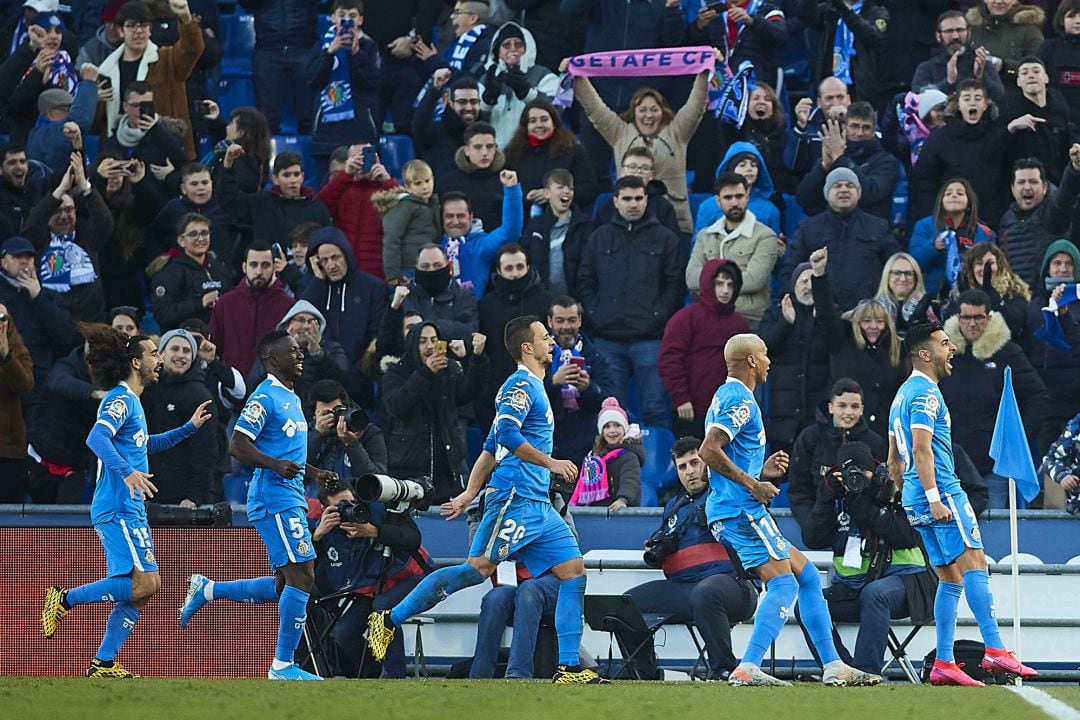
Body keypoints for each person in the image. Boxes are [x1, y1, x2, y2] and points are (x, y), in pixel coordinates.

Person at [366, 316, 606, 684]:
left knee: (574, 573)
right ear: (527, 347)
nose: (552, 343)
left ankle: (569, 667)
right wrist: (551, 462)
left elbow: (490, 448)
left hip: (537, 504)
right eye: (545, 338)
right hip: (512, 499)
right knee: (475, 570)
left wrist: (466, 493)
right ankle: (388, 620)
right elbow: (507, 435)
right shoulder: (519, 386)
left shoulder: (535, 388)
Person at [698, 333, 879, 686]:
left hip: (734, 508)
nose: (769, 360)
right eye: (764, 354)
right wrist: (753, 484)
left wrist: (758, 470)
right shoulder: (741, 400)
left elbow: (716, 461)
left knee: (807, 575)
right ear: (751, 361)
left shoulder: (726, 396)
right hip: (741, 510)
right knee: (783, 584)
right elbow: (708, 450)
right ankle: (748, 666)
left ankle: (833, 665)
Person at [40, 322, 210, 678]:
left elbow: (146, 445)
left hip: (127, 507)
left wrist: (189, 428)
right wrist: (126, 473)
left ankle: (102, 662)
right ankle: (64, 598)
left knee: (140, 591)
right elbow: (96, 438)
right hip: (118, 506)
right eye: (154, 353)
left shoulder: (132, 402)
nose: (160, 359)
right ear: (136, 362)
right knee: (148, 584)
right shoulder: (120, 399)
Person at [177, 329, 336, 681]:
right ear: (273, 359)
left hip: (289, 494)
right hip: (272, 497)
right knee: (303, 573)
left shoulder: (292, 398)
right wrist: (277, 466)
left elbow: (286, 454)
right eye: (293, 351)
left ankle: (208, 589)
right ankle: (282, 666)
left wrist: (315, 471)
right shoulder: (263, 397)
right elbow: (237, 445)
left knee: (285, 584)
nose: (301, 355)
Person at [886, 321, 1036, 685]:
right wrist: (936, 498)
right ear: (925, 354)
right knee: (976, 566)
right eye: (943, 343)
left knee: (949, 579)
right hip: (942, 492)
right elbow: (920, 449)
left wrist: (909, 496)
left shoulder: (901, 395)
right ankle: (997, 650)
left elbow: (893, 458)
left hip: (914, 496)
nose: (950, 348)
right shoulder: (926, 395)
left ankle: (944, 662)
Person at [613, 436, 758, 679]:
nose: (690, 472)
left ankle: (723, 670)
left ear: (707, 463)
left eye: (695, 463)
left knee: (706, 592)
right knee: (626, 604)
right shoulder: (673, 506)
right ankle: (643, 673)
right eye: (682, 466)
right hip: (684, 588)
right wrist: (656, 548)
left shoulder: (727, 492)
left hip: (735, 585)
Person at [790, 438, 937, 676]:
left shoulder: (893, 489)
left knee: (875, 594)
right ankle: (840, 667)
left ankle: (867, 671)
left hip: (911, 583)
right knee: (807, 604)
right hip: (854, 589)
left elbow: (907, 536)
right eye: (851, 473)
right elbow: (813, 539)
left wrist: (866, 508)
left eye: (864, 471)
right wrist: (827, 498)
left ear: (874, 469)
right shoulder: (837, 497)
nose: (858, 479)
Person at [578, 175, 685, 428]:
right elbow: (584, 281)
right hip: (607, 339)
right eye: (627, 198)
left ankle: (659, 467)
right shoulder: (599, 238)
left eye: (638, 198)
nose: (633, 204)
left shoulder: (666, 238)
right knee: (610, 412)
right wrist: (597, 313)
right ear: (615, 201)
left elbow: (675, 285)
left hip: (650, 339)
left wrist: (657, 316)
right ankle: (615, 467)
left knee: (655, 410)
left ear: (647, 200)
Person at [309, 476, 428, 678]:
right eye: (341, 506)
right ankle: (371, 677)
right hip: (371, 587)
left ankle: (395, 676)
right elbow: (306, 568)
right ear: (325, 509)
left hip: (409, 577)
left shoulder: (378, 508)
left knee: (382, 609)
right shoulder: (324, 528)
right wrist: (317, 537)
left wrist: (374, 531)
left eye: (352, 502)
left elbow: (413, 539)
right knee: (343, 633)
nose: (351, 509)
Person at [940, 288, 1046, 509]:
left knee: (993, 533)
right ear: (957, 318)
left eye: (978, 317)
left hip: (992, 467)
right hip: (948, 464)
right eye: (966, 317)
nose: (972, 323)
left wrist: (1016, 442)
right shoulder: (942, 355)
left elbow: (1038, 397)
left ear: (988, 317)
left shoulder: (1007, 353)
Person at [573, 68, 709, 233]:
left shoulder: (678, 132)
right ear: (634, 112)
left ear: (663, 111)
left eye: (654, 109)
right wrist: (577, 76)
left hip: (673, 224)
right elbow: (594, 108)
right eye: (642, 110)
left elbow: (696, 105)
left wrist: (704, 72)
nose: (649, 115)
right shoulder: (619, 133)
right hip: (627, 225)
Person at [381, 322, 488, 503]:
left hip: (447, 466)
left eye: (434, 340)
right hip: (409, 471)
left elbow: (468, 393)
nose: (430, 346)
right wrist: (426, 373)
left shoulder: (449, 369)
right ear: (413, 344)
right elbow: (398, 406)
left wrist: (477, 358)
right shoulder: (396, 373)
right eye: (423, 341)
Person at [811, 248, 906, 439]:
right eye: (867, 321)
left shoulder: (895, 349)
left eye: (879, 321)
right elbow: (826, 314)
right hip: (843, 433)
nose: (873, 327)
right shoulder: (842, 342)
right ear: (857, 323)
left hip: (883, 435)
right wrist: (819, 275)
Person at [782, 167, 900, 312]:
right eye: (837, 186)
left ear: (858, 193)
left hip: (867, 317)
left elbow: (895, 268)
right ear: (826, 193)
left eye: (850, 186)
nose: (844, 190)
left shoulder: (879, 227)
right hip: (820, 316)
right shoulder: (808, 228)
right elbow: (789, 272)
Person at [95, 0, 204, 158]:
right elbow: (97, 125)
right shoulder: (105, 70)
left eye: (143, 25)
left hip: (163, 151)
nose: (138, 31)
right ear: (120, 30)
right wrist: (95, 99)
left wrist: (186, 19)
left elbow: (193, 49)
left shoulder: (167, 59)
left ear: (150, 30)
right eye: (131, 25)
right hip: (120, 152)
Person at [660, 260, 749, 439]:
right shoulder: (686, 318)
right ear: (708, 285)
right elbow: (669, 359)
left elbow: (745, 369)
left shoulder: (740, 324)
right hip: (691, 410)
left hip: (727, 414)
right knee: (692, 464)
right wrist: (681, 398)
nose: (725, 290)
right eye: (719, 283)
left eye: (731, 285)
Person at [300, 227, 388, 408]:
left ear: (347, 255)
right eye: (324, 260)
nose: (331, 265)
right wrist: (318, 281)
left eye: (335, 257)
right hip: (319, 389)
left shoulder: (373, 288)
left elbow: (377, 335)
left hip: (360, 387)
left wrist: (356, 375)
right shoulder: (313, 289)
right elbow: (301, 320)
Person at [0, 235, 78, 433]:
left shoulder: (48, 296)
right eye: (17, 256)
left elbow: (66, 336)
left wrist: (38, 297)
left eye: (29, 256)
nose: (24, 261)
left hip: (39, 383)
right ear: (3, 261)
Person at [24, 153, 112, 323]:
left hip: (92, 322)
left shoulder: (87, 235)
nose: (64, 216)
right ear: (48, 213)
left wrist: (85, 186)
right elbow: (31, 226)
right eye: (58, 210)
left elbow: (105, 221)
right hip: (53, 321)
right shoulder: (40, 240)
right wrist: (59, 191)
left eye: (69, 210)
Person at [788, 378, 888, 525]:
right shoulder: (809, 438)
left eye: (854, 407)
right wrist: (810, 524)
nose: (848, 412)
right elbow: (799, 490)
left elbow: (880, 492)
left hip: (862, 524)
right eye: (842, 406)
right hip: (818, 522)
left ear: (862, 409)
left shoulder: (875, 443)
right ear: (831, 407)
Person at [686, 172, 779, 327]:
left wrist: (709, 276)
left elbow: (754, 281)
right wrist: (737, 272)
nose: (735, 202)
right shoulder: (705, 235)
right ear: (718, 201)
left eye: (739, 196)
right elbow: (691, 278)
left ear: (747, 196)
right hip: (708, 318)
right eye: (728, 198)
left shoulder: (766, 236)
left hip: (749, 319)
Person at [758, 261, 832, 455]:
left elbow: (837, 342)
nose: (809, 286)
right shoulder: (775, 313)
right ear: (794, 285)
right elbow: (764, 347)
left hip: (816, 413)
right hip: (783, 414)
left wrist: (824, 316)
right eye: (804, 281)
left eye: (814, 281)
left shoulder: (828, 315)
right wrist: (786, 322)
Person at [142, 329, 219, 506]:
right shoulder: (145, 388)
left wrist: (194, 496)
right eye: (174, 348)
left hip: (182, 499)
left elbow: (205, 452)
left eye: (186, 351)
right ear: (160, 353)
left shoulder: (200, 396)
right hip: (145, 491)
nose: (180, 355)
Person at [477, 244, 552, 423]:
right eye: (509, 268)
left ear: (528, 267)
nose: (515, 273)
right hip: (495, 398)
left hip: (539, 397)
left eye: (519, 267)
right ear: (499, 270)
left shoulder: (546, 301)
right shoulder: (486, 306)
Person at [309, 0, 380, 179]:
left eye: (352, 16)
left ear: (361, 20)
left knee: (365, 189)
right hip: (327, 136)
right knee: (328, 192)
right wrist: (329, 53)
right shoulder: (321, 46)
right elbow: (312, 80)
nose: (346, 20)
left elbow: (374, 83)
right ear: (333, 18)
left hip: (361, 134)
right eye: (341, 15)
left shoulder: (369, 47)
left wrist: (356, 54)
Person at [793, 101, 899, 221]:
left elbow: (869, 193)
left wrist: (840, 159)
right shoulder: (830, 158)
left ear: (874, 131)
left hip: (869, 232)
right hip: (829, 230)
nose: (859, 133)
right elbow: (802, 199)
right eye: (854, 126)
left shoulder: (886, 161)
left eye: (866, 127)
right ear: (844, 127)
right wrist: (823, 167)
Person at [208, 242, 295, 377]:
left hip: (273, 386)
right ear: (244, 267)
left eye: (265, 265)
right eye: (253, 265)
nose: (259, 271)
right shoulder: (225, 304)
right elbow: (214, 349)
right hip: (231, 387)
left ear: (274, 267)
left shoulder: (288, 306)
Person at [220, 150, 332, 255]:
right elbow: (231, 201)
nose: (293, 180)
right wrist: (228, 165)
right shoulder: (260, 203)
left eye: (296, 174)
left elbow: (327, 242)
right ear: (275, 179)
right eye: (286, 175)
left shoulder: (317, 208)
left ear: (302, 177)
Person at [545, 295, 613, 466]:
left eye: (571, 320)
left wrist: (588, 388)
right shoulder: (538, 355)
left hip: (585, 441)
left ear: (580, 321)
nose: (566, 327)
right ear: (549, 322)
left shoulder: (596, 356)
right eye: (560, 321)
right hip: (549, 441)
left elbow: (610, 401)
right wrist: (553, 382)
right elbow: (527, 397)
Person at [316, 142, 398, 280]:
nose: (361, 163)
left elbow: (407, 213)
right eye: (356, 158)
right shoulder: (341, 188)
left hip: (378, 273)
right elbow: (319, 208)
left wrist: (388, 182)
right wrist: (345, 175)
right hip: (344, 271)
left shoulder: (386, 189)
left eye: (365, 157)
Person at [1027, 239, 1080, 455]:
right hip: (1045, 395)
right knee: (1048, 466)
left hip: (1076, 397)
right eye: (1057, 263)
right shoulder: (1033, 303)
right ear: (1047, 268)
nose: (1063, 268)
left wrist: (1065, 313)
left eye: (1068, 263)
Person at [504, 98, 597, 218]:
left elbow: (589, 188)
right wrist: (526, 195)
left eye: (544, 119)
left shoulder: (573, 150)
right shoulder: (513, 153)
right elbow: (501, 189)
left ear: (554, 123)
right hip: (524, 219)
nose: (539, 125)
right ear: (525, 126)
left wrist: (554, 195)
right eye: (533, 121)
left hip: (565, 220)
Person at [238, 0, 320, 135]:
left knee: (309, 116)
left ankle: (311, 155)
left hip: (305, 46)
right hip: (267, 46)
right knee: (266, 118)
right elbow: (246, 4)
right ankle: (264, 155)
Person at [1000, 149, 1080, 287]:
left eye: (1033, 181)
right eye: (1021, 182)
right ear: (1013, 189)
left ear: (1044, 187)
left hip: (1050, 295)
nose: (1027, 187)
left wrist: (1074, 169)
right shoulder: (1005, 220)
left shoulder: (1053, 212)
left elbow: (1065, 198)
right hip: (1017, 298)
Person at [438, 170, 524, 298]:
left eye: (461, 216)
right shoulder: (436, 247)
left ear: (471, 217)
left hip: (471, 314)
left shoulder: (481, 245)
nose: (455, 221)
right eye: (449, 216)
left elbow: (510, 233)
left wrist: (511, 189)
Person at [908, 178, 996, 295]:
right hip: (931, 295)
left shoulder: (984, 233)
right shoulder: (924, 226)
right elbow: (913, 264)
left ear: (969, 202)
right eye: (948, 193)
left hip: (972, 295)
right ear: (941, 201)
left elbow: (992, 267)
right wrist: (933, 247)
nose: (954, 196)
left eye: (960, 193)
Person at [477, 22, 559, 148]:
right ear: (498, 51)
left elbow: (558, 111)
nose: (513, 49)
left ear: (527, 48)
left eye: (519, 44)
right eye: (506, 45)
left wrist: (527, 93)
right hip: (494, 155)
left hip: (532, 152)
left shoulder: (544, 75)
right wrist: (488, 100)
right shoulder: (487, 79)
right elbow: (472, 121)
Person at [799, 0, 889, 107]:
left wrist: (844, 9)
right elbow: (807, 17)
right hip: (829, 81)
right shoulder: (829, 9)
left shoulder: (877, 12)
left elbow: (873, 36)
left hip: (860, 86)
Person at [150, 213, 229, 332]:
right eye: (193, 234)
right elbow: (163, 313)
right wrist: (200, 302)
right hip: (185, 342)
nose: (201, 239)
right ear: (181, 241)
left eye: (204, 233)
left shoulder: (218, 268)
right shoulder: (171, 272)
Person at [947, 242, 1032, 349]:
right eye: (979, 263)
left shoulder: (1014, 291)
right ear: (971, 268)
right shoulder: (960, 291)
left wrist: (990, 292)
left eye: (990, 263)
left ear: (999, 266)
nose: (984, 268)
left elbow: (1013, 327)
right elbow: (949, 331)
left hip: (1005, 355)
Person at [521, 168, 592, 296]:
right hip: (542, 301)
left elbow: (589, 267)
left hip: (574, 302)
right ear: (547, 193)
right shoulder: (535, 226)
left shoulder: (585, 225)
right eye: (560, 187)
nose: (566, 192)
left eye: (570, 188)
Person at [912, 9, 1006, 105]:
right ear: (938, 36)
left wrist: (981, 77)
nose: (955, 36)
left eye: (960, 30)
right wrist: (948, 82)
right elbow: (917, 101)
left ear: (968, 33)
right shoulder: (926, 68)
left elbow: (1000, 97)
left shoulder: (982, 63)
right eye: (949, 31)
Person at [568, 396, 642, 510]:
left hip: (622, 510)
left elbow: (630, 480)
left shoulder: (629, 455)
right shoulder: (594, 456)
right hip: (598, 511)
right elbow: (582, 484)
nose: (612, 430)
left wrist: (623, 499)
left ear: (625, 428)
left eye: (617, 425)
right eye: (607, 427)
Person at [307, 379, 387, 485]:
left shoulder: (368, 432)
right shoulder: (305, 432)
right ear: (314, 415)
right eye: (326, 413)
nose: (333, 417)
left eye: (337, 410)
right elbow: (297, 472)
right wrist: (317, 435)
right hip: (316, 499)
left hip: (355, 499)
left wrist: (352, 444)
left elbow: (377, 482)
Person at [693, 142, 782, 236]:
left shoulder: (770, 210)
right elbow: (698, 243)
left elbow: (774, 245)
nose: (749, 169)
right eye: (742, 165)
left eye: (753, 165)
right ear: (731, 169)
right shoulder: (708, 207)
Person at [377, 159, 441, 284]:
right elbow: (392, 238)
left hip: (429, 264)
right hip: (409, 268)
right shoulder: (405, 206)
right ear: (408, 187)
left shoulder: (433, 203)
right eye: (418, 183)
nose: (424, 187)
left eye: (427, 181)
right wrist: (393, 273)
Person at [437, 121, 508, 233]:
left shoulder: (507, 180)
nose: (484, 152)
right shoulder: (448, 183)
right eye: (478, 147)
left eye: (490, 146)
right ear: (467, 150)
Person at [413, 74, 482, 177]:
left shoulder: (485, 132)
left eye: (473, 102)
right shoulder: (435, 132)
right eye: (462, 102)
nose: (468, 107)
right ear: (451, 103)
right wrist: (435, 89)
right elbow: (419, 125)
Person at [0, 302, 34, 502]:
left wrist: (6, 357)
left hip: (8, 451)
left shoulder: (17, 349)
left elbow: (26, 385)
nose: (0, 323)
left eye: (3, 318)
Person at [966, 0, 1044, 85]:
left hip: (1015, 91)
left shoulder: (1029, 30)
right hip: (976, 92)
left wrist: (1004, 66)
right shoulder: (973, 27)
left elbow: (1039, 67)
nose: (999, 2)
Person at [873, 253, 941, 338]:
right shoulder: (872, 309)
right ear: (887, 276)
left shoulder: (929, 307)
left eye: (908, 273)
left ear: (916, 278)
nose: (902, 278)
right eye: (896, 273)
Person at [1038, 0, 1080, 122]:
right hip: (1055, 118)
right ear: (1061, 20)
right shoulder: (1048, 48)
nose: (1078, 21)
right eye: (1071, 16)